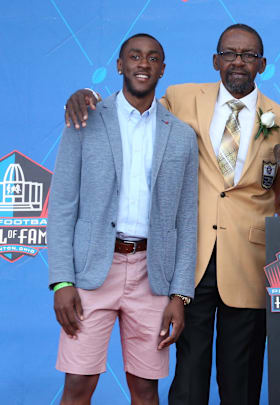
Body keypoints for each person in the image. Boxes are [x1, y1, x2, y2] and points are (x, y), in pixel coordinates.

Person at [64, 24, 280, 404]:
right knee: (188, 377)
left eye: (249, 55)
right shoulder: (180, 98)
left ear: (263, 64)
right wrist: (87, 96)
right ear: (215, 60)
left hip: (250, 261)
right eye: (231, 53)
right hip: (187, 263)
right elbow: (131, 109)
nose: (239, 61)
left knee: (242, 378)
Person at [48, 33, 197, 405]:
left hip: (153, 274)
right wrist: (61, 281)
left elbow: (186, 219)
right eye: (134, 56)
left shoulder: (180, 136)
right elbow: (63, 204)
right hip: (92, 272)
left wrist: (180, 294)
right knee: (78, 385)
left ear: (163, 68)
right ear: (119, 65)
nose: (142, 64)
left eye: (152, 58)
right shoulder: (85, 119)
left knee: (145, 390)